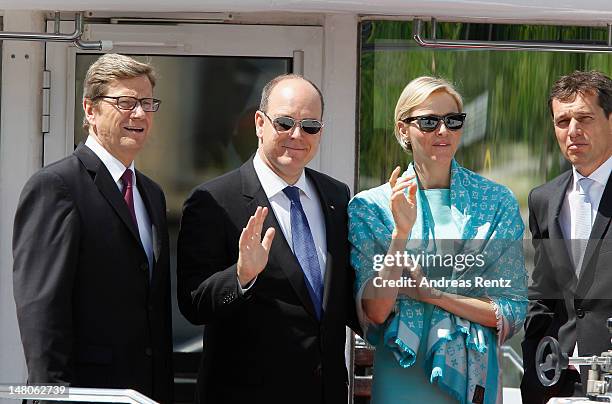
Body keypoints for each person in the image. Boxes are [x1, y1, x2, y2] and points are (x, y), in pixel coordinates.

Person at [177, 74, 360, 404]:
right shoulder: (215, 200)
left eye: (310, 126)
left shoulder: (335, 195)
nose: (297, 135)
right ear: (260, 123)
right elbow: (194, 304)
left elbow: (338, 298)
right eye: (285, 122)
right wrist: (241, 276)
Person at [349, 76, 527, 403]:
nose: (443, 132)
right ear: (403, 130)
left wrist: (434, 295)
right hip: (401, 382)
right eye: (429, 122)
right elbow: (375, 310)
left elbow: (511, 308)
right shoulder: (371, 206)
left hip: (473, 383)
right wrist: (400, 235)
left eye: (453, 121)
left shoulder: (497, 201)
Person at [12, 54, 173, 402]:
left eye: (147, 103)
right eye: (126, 103)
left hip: (145, 393)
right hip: (85, 393)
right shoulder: (57, 186)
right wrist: (50, 395)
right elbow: (42, 307)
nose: (140, 114)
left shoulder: (152, 194)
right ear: (90, 109)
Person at [521, 70, 612, 403]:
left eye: (585, 118)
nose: (573, 131)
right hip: (558, 383)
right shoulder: (543, 199)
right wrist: (534, 364)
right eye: (562, 122)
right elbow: (544, 293)